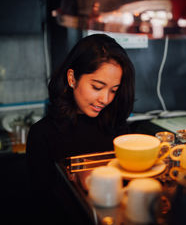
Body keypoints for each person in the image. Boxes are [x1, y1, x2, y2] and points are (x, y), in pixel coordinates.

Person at [26, 33, 135, 224]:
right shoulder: (42, 134)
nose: (106, 99)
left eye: (113, 90)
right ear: (72, 78)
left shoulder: (117, 128)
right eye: (97, 86)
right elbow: (41, 207)